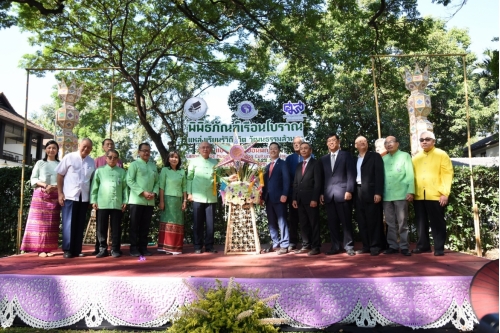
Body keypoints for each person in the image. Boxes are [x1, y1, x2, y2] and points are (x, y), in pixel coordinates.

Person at [411, 131, 453, 256]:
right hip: (419, 195)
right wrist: (411, 192)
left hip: (436, 194)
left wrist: (445, 193)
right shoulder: (416, 157)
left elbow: (447, 174)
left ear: (433, 141)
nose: (424, 141)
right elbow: (411, 177)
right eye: (421, 139)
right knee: (420, 222)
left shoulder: (441, 154)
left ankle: (439, 247)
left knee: (437, 222)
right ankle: (423, 246)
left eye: (427, 139)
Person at [20, 140, 61, 257]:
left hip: (55, 194)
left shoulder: (60, 164)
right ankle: (40, 249)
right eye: (49, 148)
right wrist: (45, 185)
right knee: (40, 223)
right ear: (45, 150)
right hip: (41, 195)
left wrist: (54, 187)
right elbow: (33, 179)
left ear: (57, 150)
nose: (51, 150)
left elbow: (63, 180)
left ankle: (48, 249)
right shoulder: (39, 163)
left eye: (54, 148)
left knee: (51, 222)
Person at [56, 138, 95, 259]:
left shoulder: (91, 162)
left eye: (88, 147)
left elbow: (92, 180)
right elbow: (60, 175)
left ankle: (77, 249)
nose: (86, 149)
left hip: (84, 197)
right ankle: (67, 249)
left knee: (80, 223)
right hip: (70, 195)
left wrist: (91, 199)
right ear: (79, 145)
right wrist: (60, 193)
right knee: (68, 223)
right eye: (84, 146)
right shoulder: (69, 157)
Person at [319, 134, 356, 256]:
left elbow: (351, 174)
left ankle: (349, 246)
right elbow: (322, 178)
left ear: (338, 142)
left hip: (343, 193)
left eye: (333, 140)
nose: (331, 142)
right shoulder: (323, 159)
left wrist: (349, 190)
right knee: (332, 222)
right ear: (326, 144)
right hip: (329, 195)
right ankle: (335, 246)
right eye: (329, 141)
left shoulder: (346, 155)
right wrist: (321, 193)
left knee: (346, 221)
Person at [90, 149, 128, 258]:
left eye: (115, 157)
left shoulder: (122, 172)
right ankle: (102, 249)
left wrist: (125, 201)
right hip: (102, 203)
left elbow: (125, 188)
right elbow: (94, 187)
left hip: (117, 203)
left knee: (116, 228)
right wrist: (94, 200)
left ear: (118, 159)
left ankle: (115, 249)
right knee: (101, 228)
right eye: (110, 157)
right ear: (106, 158)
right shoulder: (99, 170)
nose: (112, 159)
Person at [382, 136, 414, 256]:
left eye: (391, 142)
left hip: (401, 194)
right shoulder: (383, 159)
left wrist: (410, 191)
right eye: (386, 143)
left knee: (402, 222)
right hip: (386, 195)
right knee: (390, 222)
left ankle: (404, 246)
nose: (389, 144)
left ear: (397, 144)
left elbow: (410, 174)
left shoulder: (405, 155)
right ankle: (393, 246)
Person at [126, 143, 159, 257]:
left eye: (148, 151)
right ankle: (133, 248)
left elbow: (157, 182)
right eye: (144, 150)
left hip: (149, 201)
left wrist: (154, 192)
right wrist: (142, 192)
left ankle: (143, 247)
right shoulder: (134, 165)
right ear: (139, 152)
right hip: (137, 200)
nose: (146, 153)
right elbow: (129, 180)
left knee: (145, 225)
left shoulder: (153, 166)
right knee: (135, 225)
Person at [354, 136, 384, 256]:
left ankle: (375, 245)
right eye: (359, 142)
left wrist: (378, 192)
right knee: (361, 220)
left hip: (371, 192)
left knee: (374, 220)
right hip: (358, 191)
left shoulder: (374, 156)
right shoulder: (354, 159)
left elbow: (379, 175)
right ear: (355, 145)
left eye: (364, 141)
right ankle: (366, 245)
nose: (362, 143)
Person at [187, 142, 219, 254]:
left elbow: (218, 178)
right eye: (203, 147)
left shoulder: (215, 162)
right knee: (197, 223)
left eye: (207, 147)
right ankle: (197, 246)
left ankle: (209, 245)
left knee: (210, 223)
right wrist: (189, 193)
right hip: (197, 196)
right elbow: (189, 178)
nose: (205, 149)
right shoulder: (193, 162)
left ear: (211, 150)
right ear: (199, 150)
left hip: (211, 196)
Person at [292, 142, 323, 256]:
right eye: (302, 149)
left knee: (314, 223)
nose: (303, 150)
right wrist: (294, 198)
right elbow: (295, 183)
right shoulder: (298, 165)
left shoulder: (316, 164)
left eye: (306, 148)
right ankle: (306, 244)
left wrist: (315, 198)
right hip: (300, 200)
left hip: (311, 200)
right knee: (303, 223)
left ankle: (316, 246)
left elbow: (318, 183)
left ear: (311, 150)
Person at [261, 142, 290, 255]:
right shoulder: (267, 167)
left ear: (279, 151)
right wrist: (262, 197)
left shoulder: (283, 164)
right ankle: (275, 243)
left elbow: (286, 180)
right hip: (268, 199)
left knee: (282, 221)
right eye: (271, 149)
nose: (273, 150)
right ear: (269, 151)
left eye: (275, 149)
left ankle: (284, 244)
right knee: (271, 222)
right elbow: (264, 184)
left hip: (280, 198)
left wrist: (285, 194)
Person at [158, 151, 187, 255]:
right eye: (172, 157)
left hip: (178, 201)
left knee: (178, 223)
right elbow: (161, 186)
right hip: (167, 200)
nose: (174, 159)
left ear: (179, 160)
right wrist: (161, 201)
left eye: (176, 157)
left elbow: (184, 187)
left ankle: (176, 247)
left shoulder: (182, 172)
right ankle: (165, 247)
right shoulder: (165, 170)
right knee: (167, 222)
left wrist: (185, 200)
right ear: (168, 159)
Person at [285, 136, 304, 251]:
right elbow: (286, 177)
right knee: (293, 219)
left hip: (306, 192)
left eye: (299, 143)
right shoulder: (289, 159)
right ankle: (293, 241)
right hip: (293, 193)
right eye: (294, 143)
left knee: (306, 218)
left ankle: (308, 242)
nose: (296, 145)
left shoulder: (310, 156)